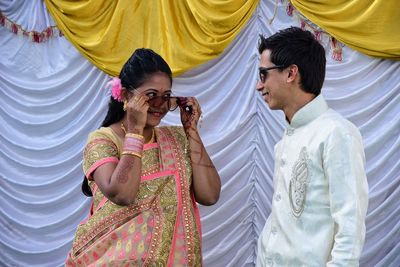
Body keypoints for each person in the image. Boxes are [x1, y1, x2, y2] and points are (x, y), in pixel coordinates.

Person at [65, 48, 221, 266]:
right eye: (151, 96)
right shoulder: (103, 140)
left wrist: (191, 130)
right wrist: (135, 131)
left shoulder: (177, 137)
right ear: (127, 95)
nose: (160, 104)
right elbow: (123, 195)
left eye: (166, 96)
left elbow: (210, 195)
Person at [255, 27, 368, 266]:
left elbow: (350, 226)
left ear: (290, 73)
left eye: (263, 74)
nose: (259, 85)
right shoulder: (286, 138)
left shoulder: (337, 133)